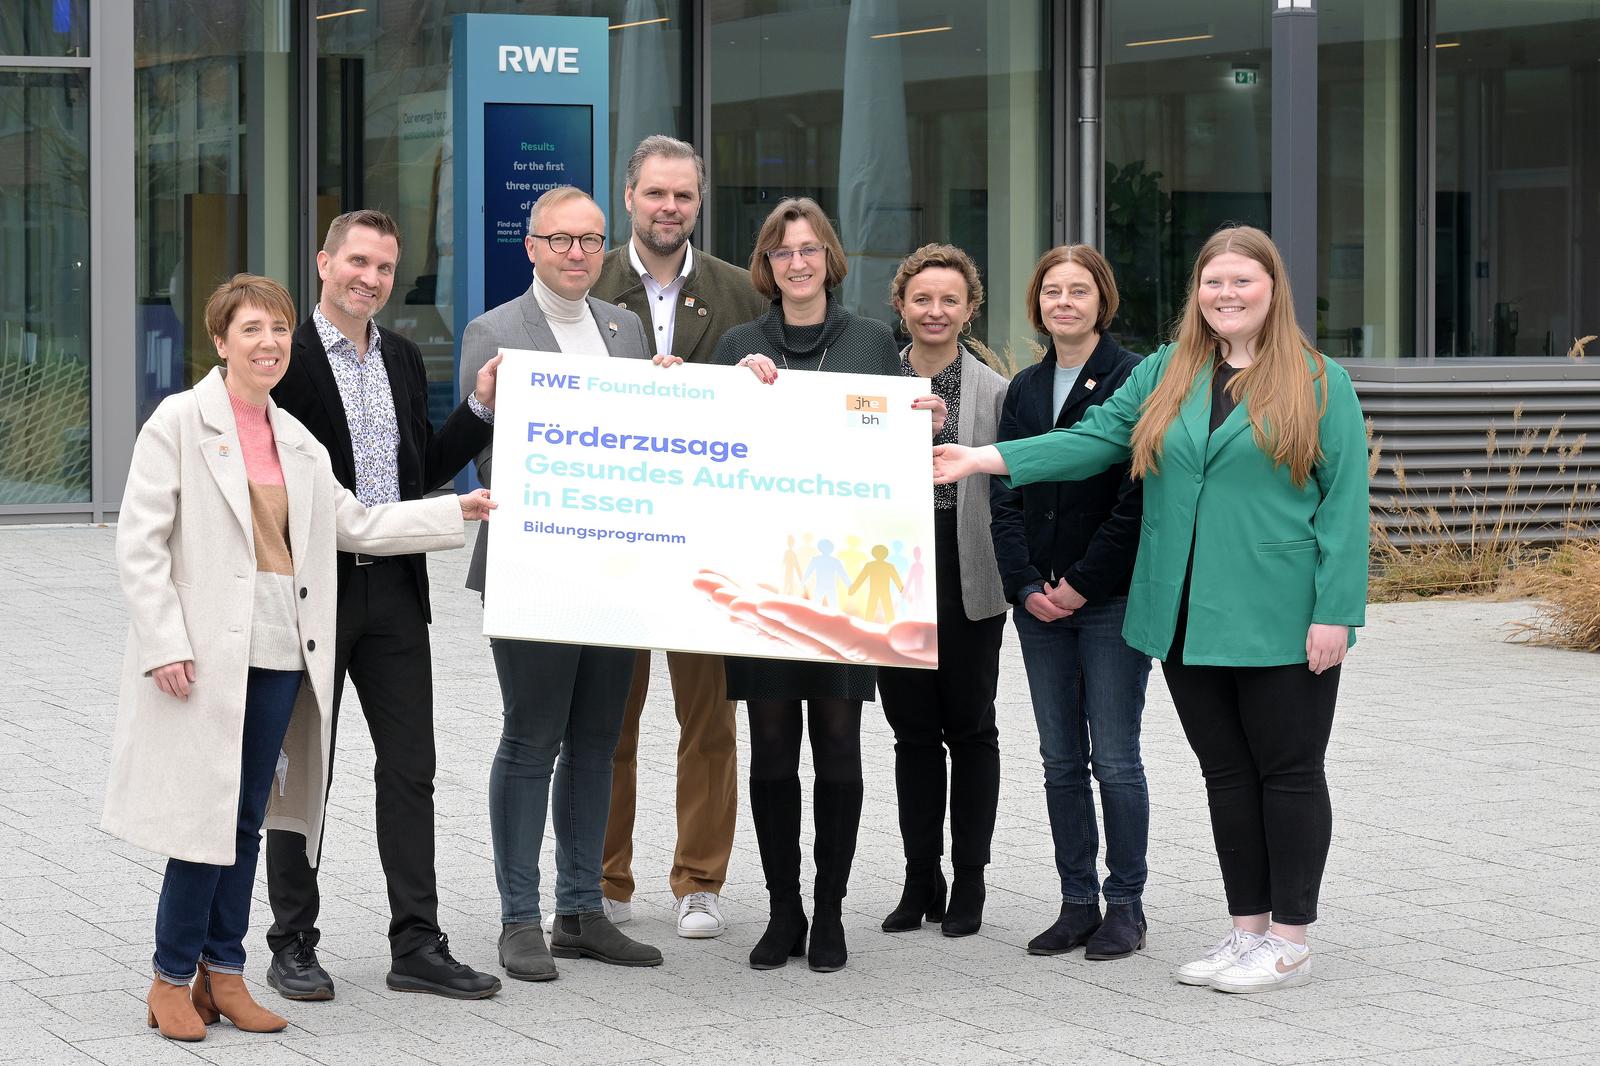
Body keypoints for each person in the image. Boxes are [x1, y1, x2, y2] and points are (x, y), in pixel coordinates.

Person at [933, 225, 1369, 994]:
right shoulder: (1171, 371)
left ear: (1273, 290)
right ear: (1195, 293)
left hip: (1281, 613)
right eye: (1213, 283)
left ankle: (1292, 940)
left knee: (1289, 774)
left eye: (1243, 282)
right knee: (1227, 776)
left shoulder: (1319, 382)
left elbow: (1344, 507)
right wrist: (983, 458)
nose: (1226, 295)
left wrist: (1336, 613)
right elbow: (1095, 438)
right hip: (1184, 616)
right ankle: (1247, 931)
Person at [104, 274, 494, 1041]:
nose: (269, 343)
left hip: (284, 649)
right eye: (251, 329)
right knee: (202, 817)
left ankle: (226, 971)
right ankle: (169, 978)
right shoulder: (179, 423)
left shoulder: (296, 440)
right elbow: (139, 544)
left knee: (250, 818)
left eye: (280, 331)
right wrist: (164, 643)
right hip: (204, 652)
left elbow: (355, 523)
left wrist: (454, 510)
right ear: (220, 341)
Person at [266, 209, 501, 1002]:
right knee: (304, 771)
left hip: (396, 592)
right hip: (314, 589)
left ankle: (416, 944)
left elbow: (420, 469)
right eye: (357, 263)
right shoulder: (286, 362)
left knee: (411, 771)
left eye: (384, 268)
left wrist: (479, 408)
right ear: (324, 263)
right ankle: (292, 941)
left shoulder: (399, 356)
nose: (370, 279)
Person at [459, 185, 667, 982]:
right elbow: (486, 449)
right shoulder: (495, 330)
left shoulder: (624, 326)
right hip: (533, 566)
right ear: (532, 246)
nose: (578, 254)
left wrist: (670, 390)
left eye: (591, 241)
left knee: (597, 740)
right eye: (561, 240)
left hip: (616, 567)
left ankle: (581, 911)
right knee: (531, 736)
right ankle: (519, 919)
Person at [710, 197, 900, 973]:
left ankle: (829, 909)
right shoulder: (738, 345)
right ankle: (782, 908)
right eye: (783, 251)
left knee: (839, 750)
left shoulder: (871, 342)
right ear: (767, 263)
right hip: (760, 578)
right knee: (770, 754)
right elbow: (710, 451)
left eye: (809, 249)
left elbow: (892, 447)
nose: (797, 262)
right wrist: (730, 388)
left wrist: (919, 419)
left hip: (843, 581)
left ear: (829, 258)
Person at [591, 135, 769, 939]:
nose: (670, 208)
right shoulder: (586, 280)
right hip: (615, 544)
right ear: (629, 197)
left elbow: (774, 410)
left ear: (700, 202)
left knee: (709, 721)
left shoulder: (740, 292)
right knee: (605, 720)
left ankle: (700, 882)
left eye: (684, 197)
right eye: (656, 194)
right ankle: (603, 879)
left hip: (710, 545)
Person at [988, 245, 1152, 960]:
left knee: (1115, 758)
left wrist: (1082, 582)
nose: (1064, 302)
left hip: (1109, 597)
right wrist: (1025, 584)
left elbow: (1138, 499)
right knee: (1060, 760)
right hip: (1039, 605)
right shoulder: (1021, 388)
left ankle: (1126, 907)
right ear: (1038, 304)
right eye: (1052, 291)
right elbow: (1004, 494)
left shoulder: (1134, 378)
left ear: (1101, 300)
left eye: (1078, 290)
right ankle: (1075, 901)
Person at [874, 244, 1010, 939]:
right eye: (922, 299)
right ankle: (918, 876)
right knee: (911, 735)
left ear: (969, 308)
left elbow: (1010, 485)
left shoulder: (994, 390)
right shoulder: (872, 380)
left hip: (967, 581)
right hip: (894, 577)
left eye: (949, 299)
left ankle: (972, 882)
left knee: (971, 730)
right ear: (900, 304)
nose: (935, 311)